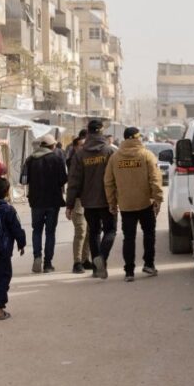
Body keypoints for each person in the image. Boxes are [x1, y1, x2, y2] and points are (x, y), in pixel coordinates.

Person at [104, 127, 163, 282]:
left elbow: (108, 182)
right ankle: (149, 264)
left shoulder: (115, 158)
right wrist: (157, 199)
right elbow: (155, 180)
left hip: (126, 205)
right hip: (145, 204)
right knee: (149, 234)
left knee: (128, 238)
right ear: (137, 138)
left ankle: (129, 272)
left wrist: (112, 202)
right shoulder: (146, 155)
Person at [65, 120, 116, 280]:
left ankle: (96, 268)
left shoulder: (80, 154)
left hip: (88, 201)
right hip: (107, 200)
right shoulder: (109, 151)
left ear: (88, 132)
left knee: (94, 232)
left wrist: (70, 204)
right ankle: (102, 258)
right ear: (101, 131)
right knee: (110, 230)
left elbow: (74, 180)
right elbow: (117, 177)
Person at [21, 134, 67, 273]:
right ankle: (47, 264)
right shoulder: (57, 159)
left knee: (37, 231)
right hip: (53, 201)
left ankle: (37, 257)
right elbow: (63, 179)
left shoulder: (30, 160)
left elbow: (23, 181)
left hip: (36, 202)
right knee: (50, 232)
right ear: (53, 146)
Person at [0, 178, 27, 321]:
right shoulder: (8, 209)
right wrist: (22, 244)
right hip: (3, 251)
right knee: (3, 277)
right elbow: (17, 229)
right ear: (6, 192)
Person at [68, 135, 92, 274]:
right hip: (78, 201)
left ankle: (85, 259)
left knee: (89, 231)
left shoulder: (89, 159)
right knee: (80, 231)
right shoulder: (73, 161)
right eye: (81, 145)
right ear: (75, 147)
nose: (83, 148)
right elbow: (72, 184)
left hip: (90, 200)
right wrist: (69, 205)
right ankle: (77, 262)